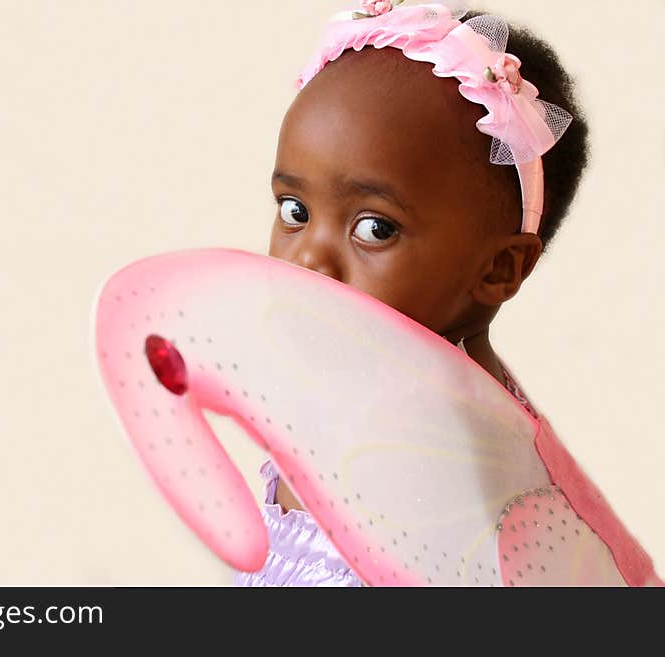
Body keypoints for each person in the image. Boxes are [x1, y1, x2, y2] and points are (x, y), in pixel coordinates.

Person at [233, 1, 658, 586]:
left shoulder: (461, 484)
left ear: (498, 268)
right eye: (295, 211)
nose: (309, 260)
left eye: (375, 228)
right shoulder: (345, 411)